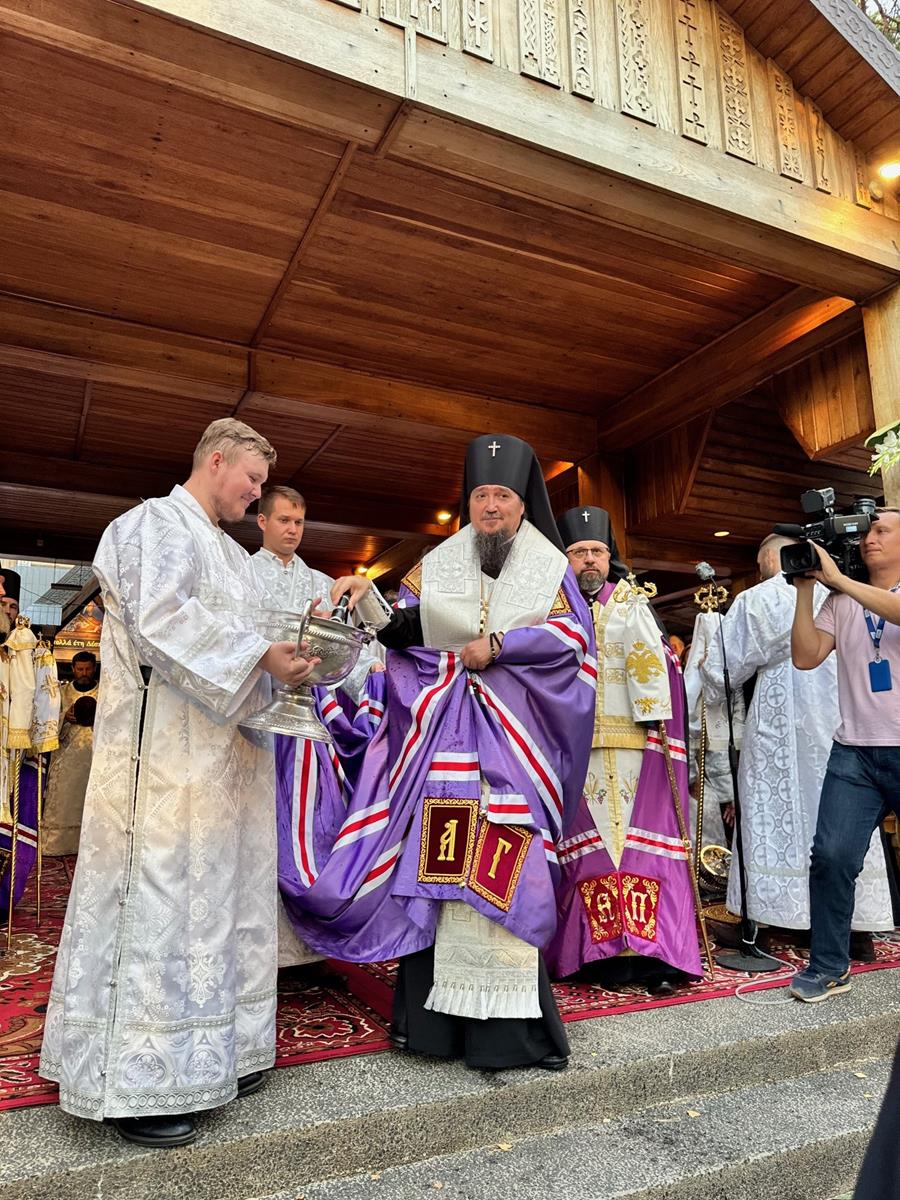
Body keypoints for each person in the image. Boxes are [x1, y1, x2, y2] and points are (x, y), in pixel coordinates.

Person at [39, 417, 319, 1148]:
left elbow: (259, 640)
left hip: (229, 763)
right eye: (252, 480)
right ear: (216, 460)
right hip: (161, 760)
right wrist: (260, 655)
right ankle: (138, 1082)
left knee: (224, 904)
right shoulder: (149, 526)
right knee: (159, 902)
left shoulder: (232, 554)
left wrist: (297, 650)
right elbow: (163, 622)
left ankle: (224, 1050)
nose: (256, 496)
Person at [283, 434, 595, 1071]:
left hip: (516, 745)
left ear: (522, 504)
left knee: (507, 868)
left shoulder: (549, 567)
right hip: (444, 744)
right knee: (437, 867)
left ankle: (510, 1035)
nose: (490, 506)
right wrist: (368, 596)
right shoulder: (440, 563)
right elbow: (405, 631)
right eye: (480, 496)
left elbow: (572, 638)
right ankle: (432, 1028)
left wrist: (501, 646)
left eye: (501, 496)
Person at [700, 535, 892, 947]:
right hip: (840, 708)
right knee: (844, 820)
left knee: (776, 809)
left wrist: (708, 677)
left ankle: (777, 917)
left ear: (771, 558)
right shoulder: (841, 592)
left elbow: (723, 669)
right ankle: (856, 925)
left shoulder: (755, 599)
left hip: (779, 714)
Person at [546, 507, 701, 991]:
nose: (589, 560)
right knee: (590, 855)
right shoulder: (550, 606)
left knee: (638, 853)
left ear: (609, 556)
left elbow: (664, 667)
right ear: (565, 559)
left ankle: (654, 958)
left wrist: (658, 714)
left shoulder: (634, 601)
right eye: (579, 552)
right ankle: (597, 958)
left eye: (597, 551)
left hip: (636, 746)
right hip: (576, 751)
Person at [789, 509, 900, 1002]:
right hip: (854, 751)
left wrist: (839, 581)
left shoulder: (853, 591)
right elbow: (805, 656)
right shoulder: (840, 600)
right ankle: (828, 966)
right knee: (832, 858)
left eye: (882, 530)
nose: (869, 537)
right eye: (868, 531)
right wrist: (805, 589)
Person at [250, 485, 384, 701]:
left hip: (314, 700)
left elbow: (344, 645)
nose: (293, 529)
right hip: (258, 693)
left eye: (299, 522)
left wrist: (368, 667)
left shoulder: (325, 583)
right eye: (284, 520)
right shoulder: (242, 573)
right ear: (262, 521)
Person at [42, 651, 100, 856]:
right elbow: (48, 722)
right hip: (66, 757)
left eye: (88, 669)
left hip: (94, 757)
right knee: (64, 803)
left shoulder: (105, 693)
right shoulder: (62, 693)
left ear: (94, 668)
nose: (84, 673)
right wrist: (64, 717)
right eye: (80, 669)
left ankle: (91, 845)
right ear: (73, 669)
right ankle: (59, 844)